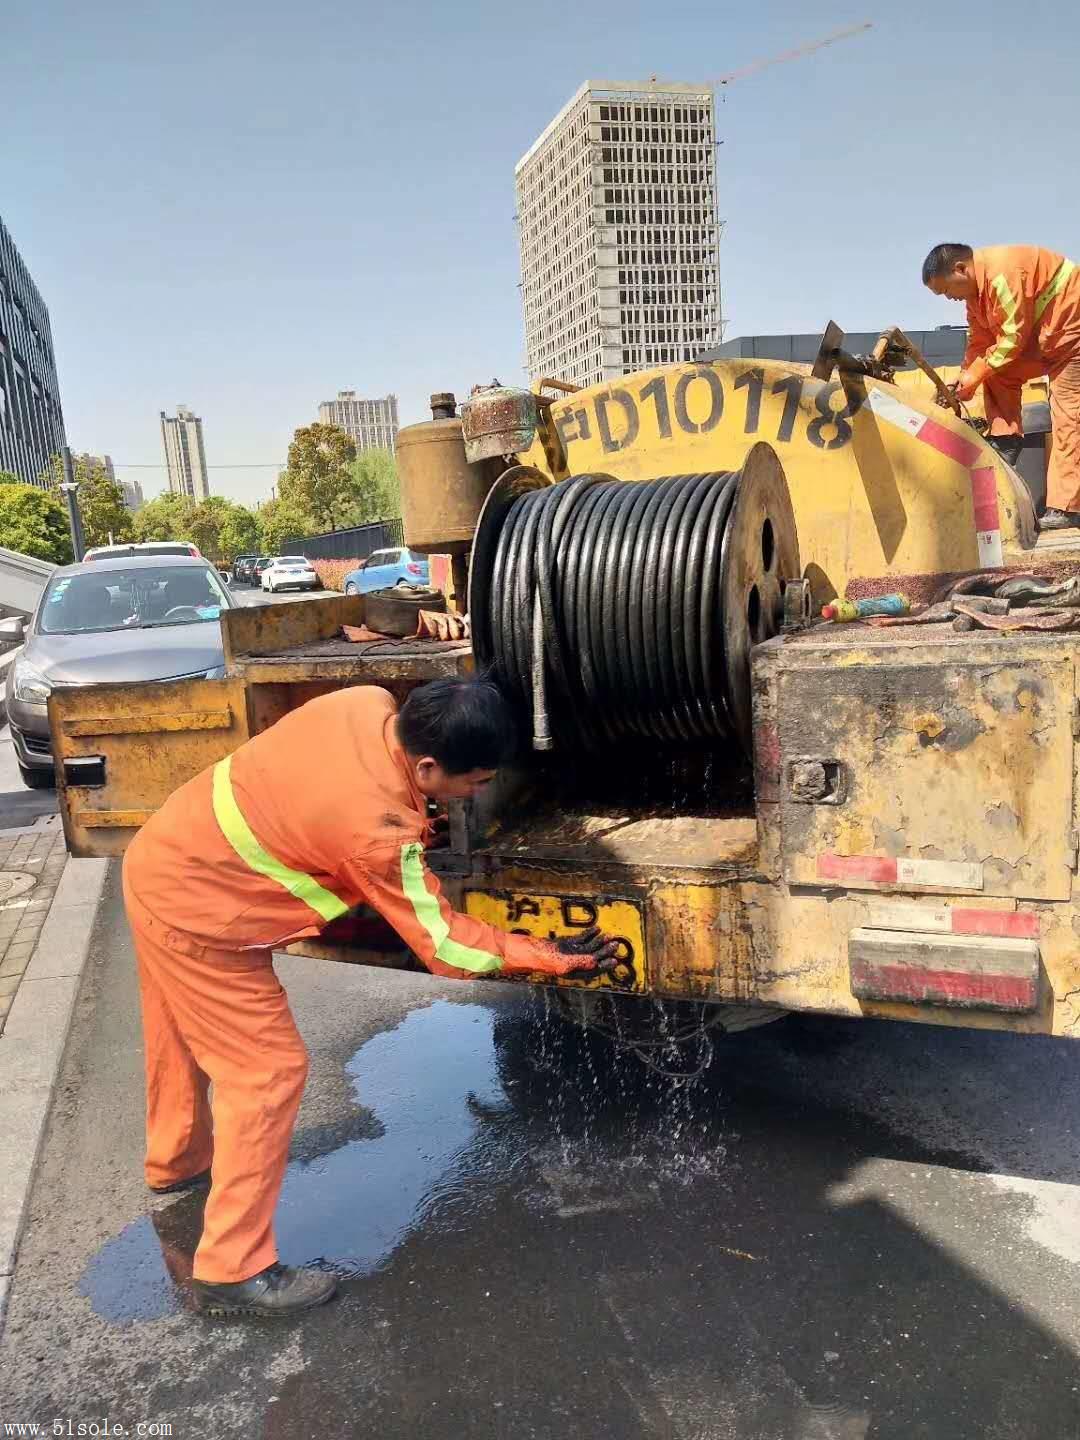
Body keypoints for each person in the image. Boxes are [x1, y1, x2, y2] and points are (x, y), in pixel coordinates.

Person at [123, 677, 619, 1318]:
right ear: (428, 765)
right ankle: (230, 1270)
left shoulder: (363, 702)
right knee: (267, 1073)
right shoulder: (376, 834)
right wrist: (550, 955)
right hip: (205, 913)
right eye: (473, 782)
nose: (478, 794)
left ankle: (176, 1162)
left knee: (179, 1034)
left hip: (162, 860)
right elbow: (446, 947)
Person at [921, 242, 1080, 530]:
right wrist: (965, 376)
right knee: (993, 372)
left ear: (961, 269)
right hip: (1043, 335)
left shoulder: (1001, 274)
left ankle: (1067, 508)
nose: (948, 298)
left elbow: (1011, 340)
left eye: (946, 290)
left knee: (1069, 415)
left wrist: (974, 375)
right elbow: (980, 343)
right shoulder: (975, 296)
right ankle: (1006, 438)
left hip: (1070, 333)